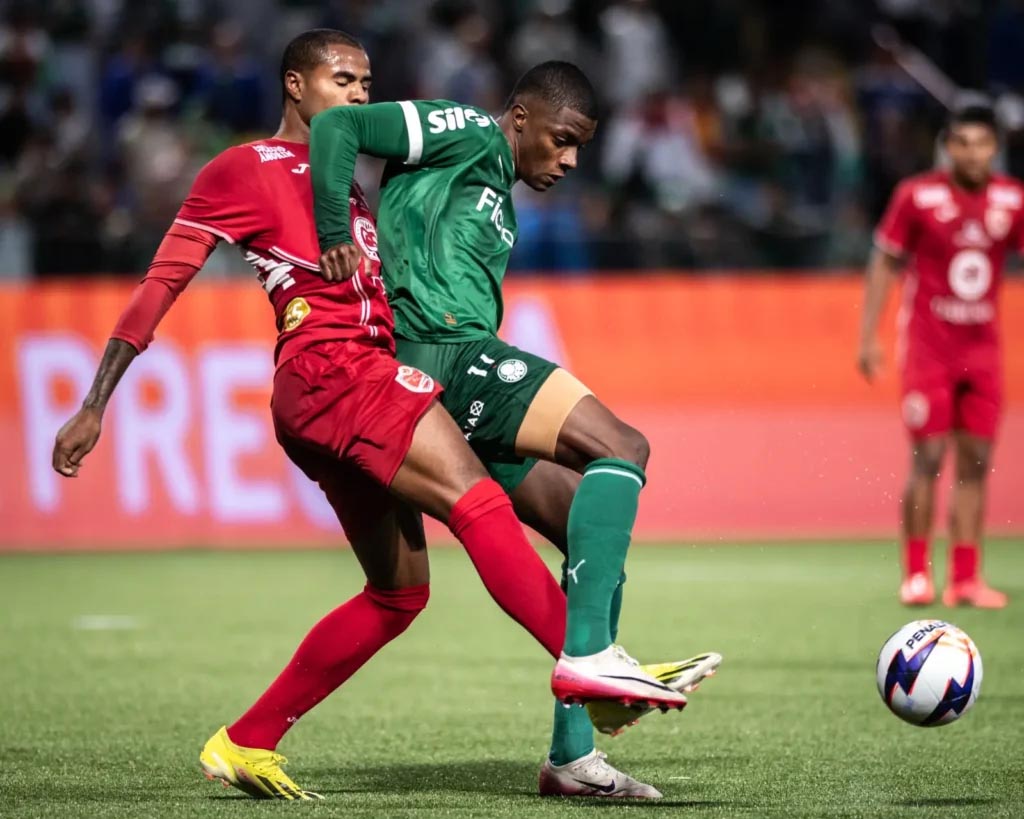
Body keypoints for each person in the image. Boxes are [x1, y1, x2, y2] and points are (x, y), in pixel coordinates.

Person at [50, 30, 688, 802]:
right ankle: (589, 665)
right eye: (342, 79)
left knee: (398, 593)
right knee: (480, 503)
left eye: (365, 82)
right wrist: (95, 402)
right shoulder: (242, 168)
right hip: (336, 372)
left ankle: (246, 739)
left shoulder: (347, 183)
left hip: (350, 380)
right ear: (295, 84)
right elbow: (162, 280)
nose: (357, 94)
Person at [310, 60, 720, 798]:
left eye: (580, 147)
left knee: (582, 526)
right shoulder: (466, 129)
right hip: (445, 352)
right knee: (623, 447)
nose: (570, 160)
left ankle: (572, 758)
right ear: (521, 118)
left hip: (453, 365)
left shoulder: (495, 183)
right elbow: (340, 124)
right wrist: (334, 232)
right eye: (562, 139)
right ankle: (592, 662)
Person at [859, 103, 1012, 609]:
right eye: (962, 143)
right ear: (947, 147)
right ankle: (916, 573)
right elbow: (885, 261)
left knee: (976, 463)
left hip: (983, 350)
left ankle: (965, 578)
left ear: (996, 148)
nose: (972, 153)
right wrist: (868, 336)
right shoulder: (917, 195)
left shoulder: (1012, 199)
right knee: (927, 458)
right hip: (929, 349)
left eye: (982, 143)